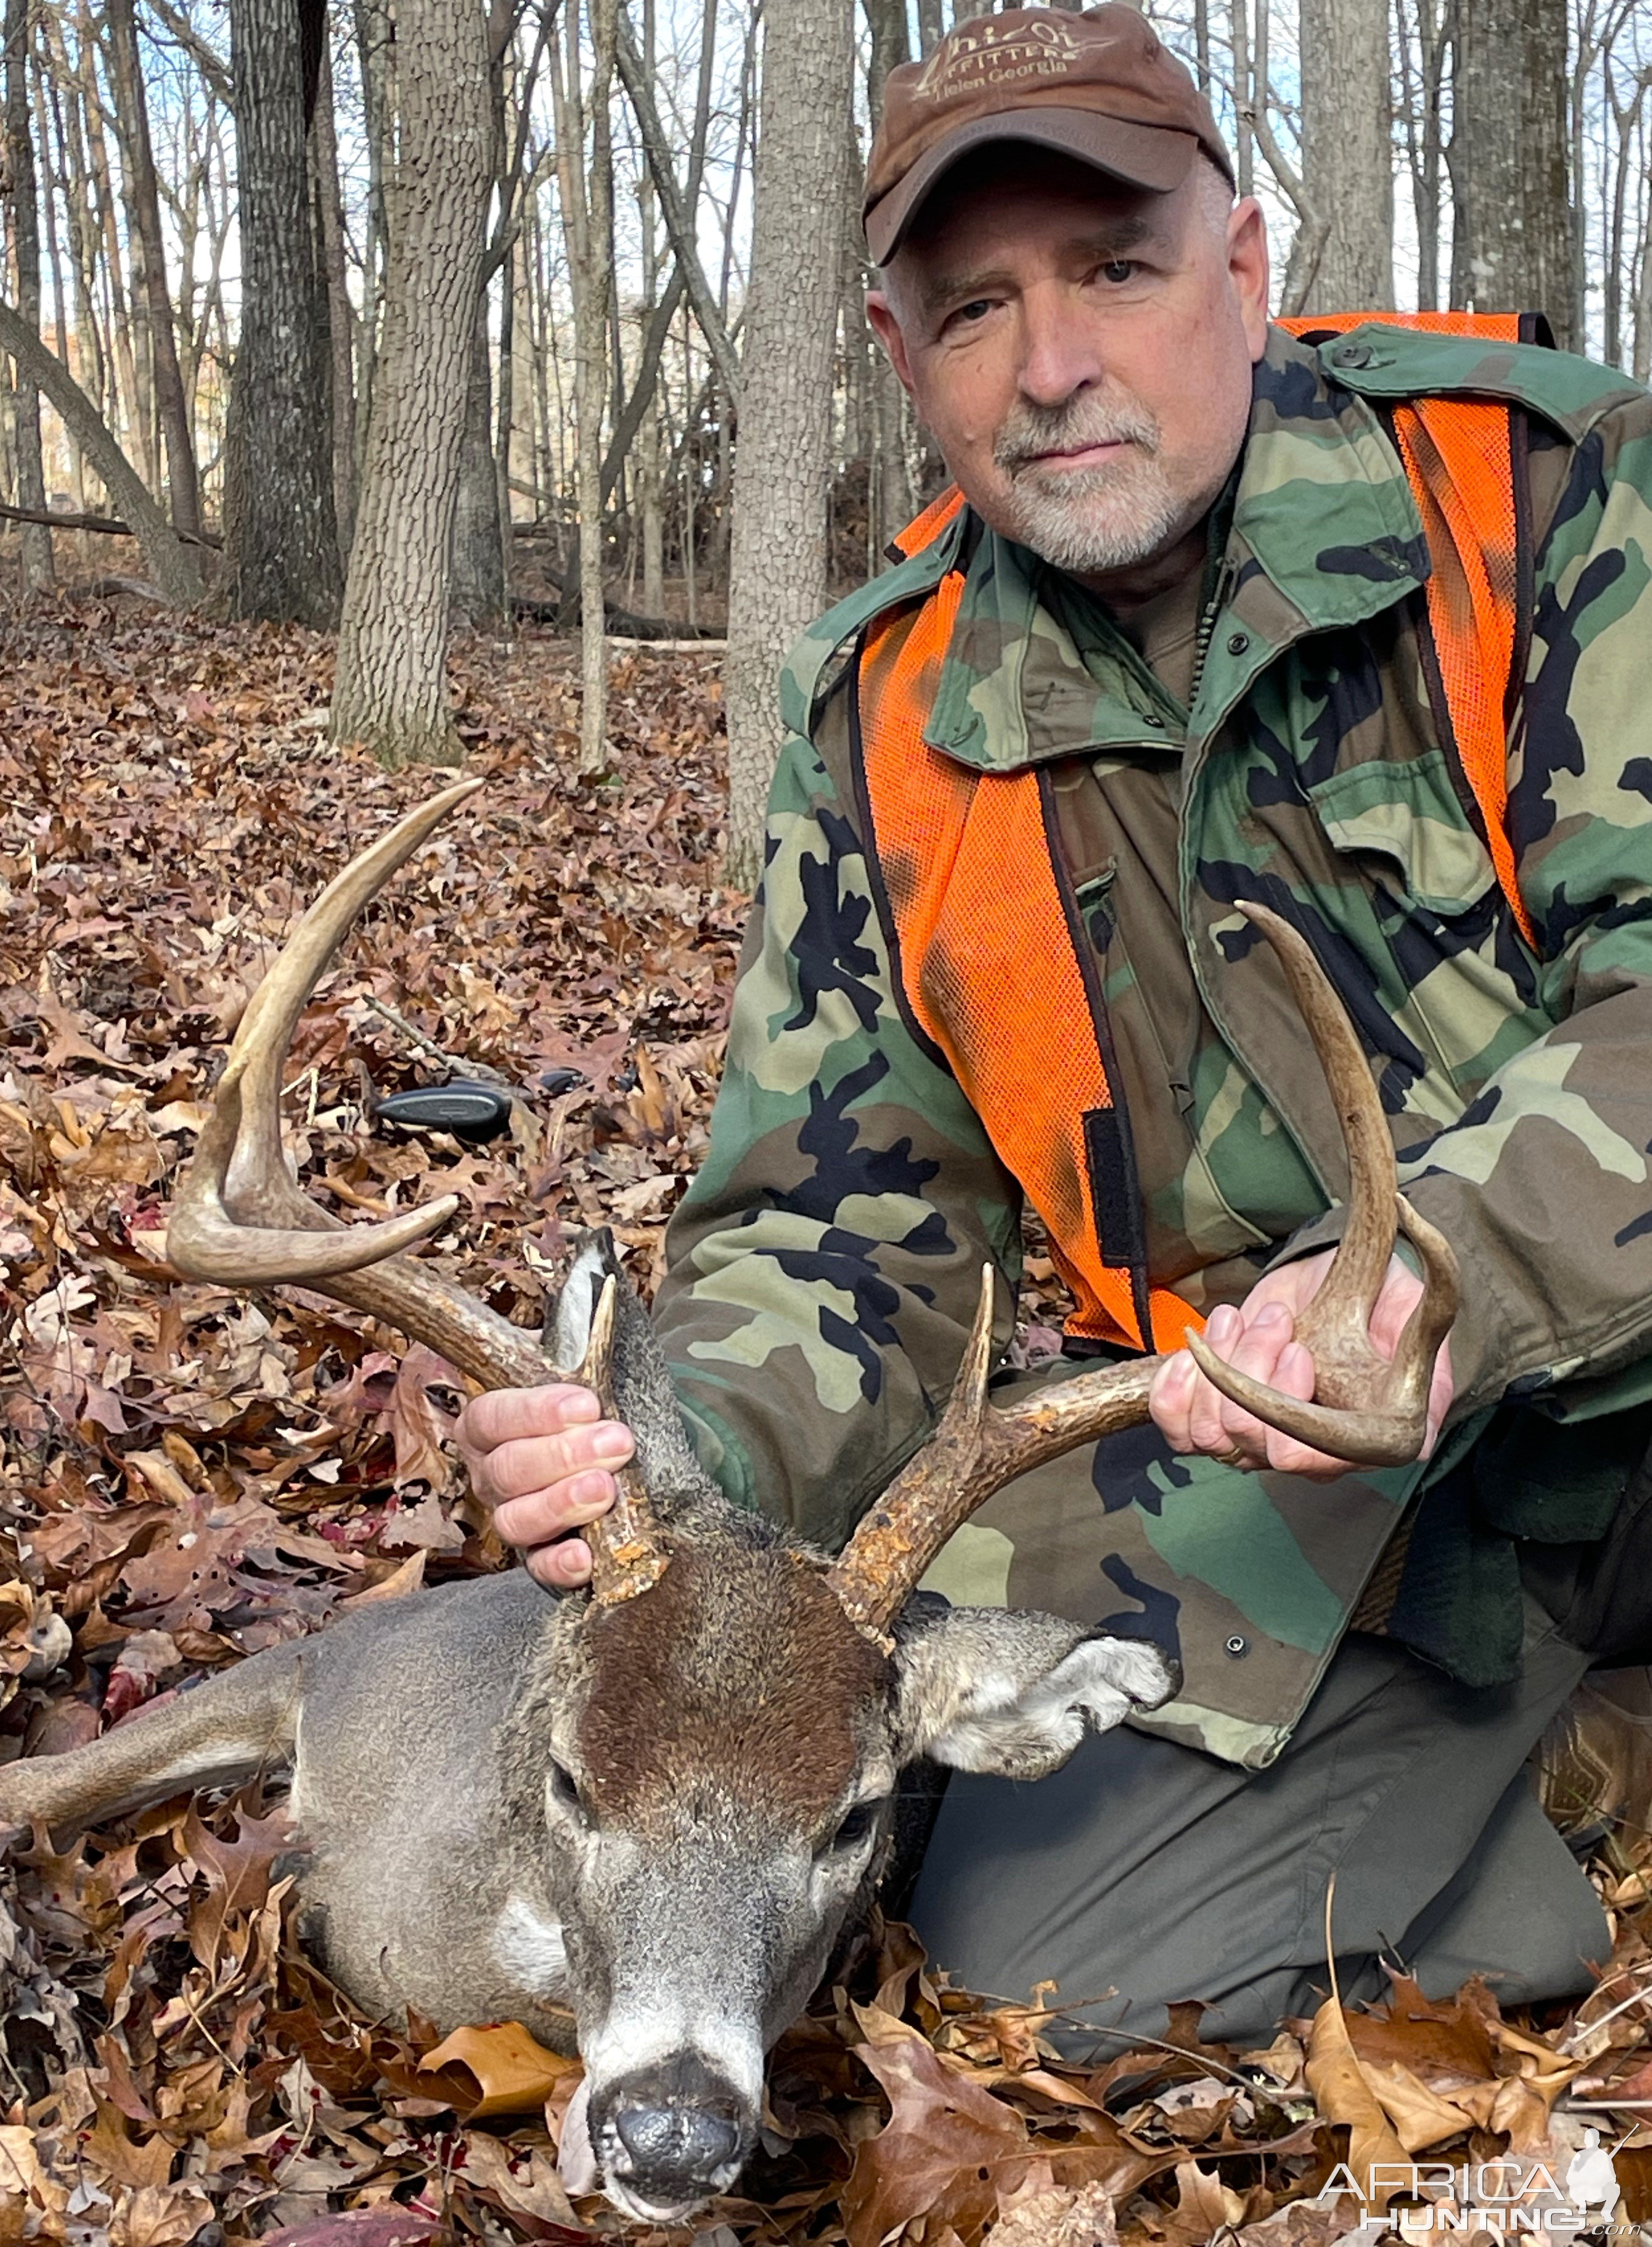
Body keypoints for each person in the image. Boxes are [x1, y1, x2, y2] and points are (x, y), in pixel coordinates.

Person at [460, 3, 1652, 2050]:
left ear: (1246, 269)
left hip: (1600, 1367)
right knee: (1007, 1930)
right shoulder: (890, 716)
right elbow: (837, 1241)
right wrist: (667, 1456)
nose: (1057, 364)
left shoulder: (1542, 503)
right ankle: (1578, 1779)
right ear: (898, 357)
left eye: (1117, 269)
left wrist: (1439, 1270)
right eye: (977, 307)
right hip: (1329, 1501)